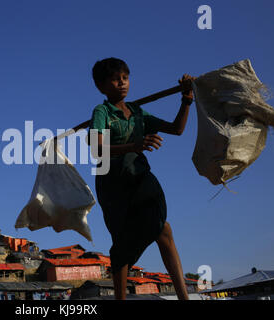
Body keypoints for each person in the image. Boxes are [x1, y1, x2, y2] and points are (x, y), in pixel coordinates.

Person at [89, 57, 194, 300]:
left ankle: (183, 297)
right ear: (101, 86)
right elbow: (97, 149)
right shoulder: (102, 112)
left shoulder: (138, 112)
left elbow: (177, 129)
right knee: (122, 242)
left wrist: (186, 99)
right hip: (113, 183)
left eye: (125, 78)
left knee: (163, 228)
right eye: (115, 80)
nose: (122, 83)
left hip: (139, 178)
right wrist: (134, 144)